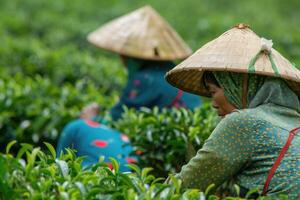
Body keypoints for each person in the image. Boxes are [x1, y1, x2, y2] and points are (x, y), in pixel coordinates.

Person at [56, 5, 200, 170]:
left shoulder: (144, 78)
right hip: (179, 147)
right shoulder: (174, 72)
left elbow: (116, 120)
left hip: (154, 149)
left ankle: (59, 175)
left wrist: (91, 118)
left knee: (77, 128)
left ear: (129, 56)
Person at [165, 24, 300, 198]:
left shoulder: (244, 122)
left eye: (213, 92)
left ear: (236, 87)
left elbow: (186, 185)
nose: (213, 104)